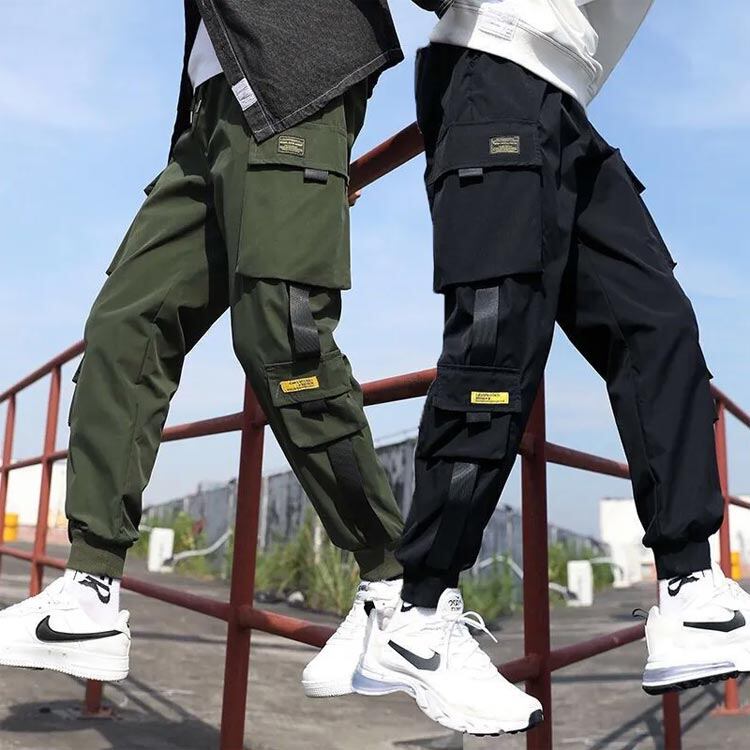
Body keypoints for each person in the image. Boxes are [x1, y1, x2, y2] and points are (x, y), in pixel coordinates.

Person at [0, 0, 451, 690]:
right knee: (124, 326)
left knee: (282, 337)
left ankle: (400, 593)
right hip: (208, 113)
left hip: (295, 82)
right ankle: (90, 592)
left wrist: (506, 48)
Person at [353, 0, 750, 736]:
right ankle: (416, 616)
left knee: (658, 327)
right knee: (495, 349)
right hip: (493, 66)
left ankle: (690, 588)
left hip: (565, 99)